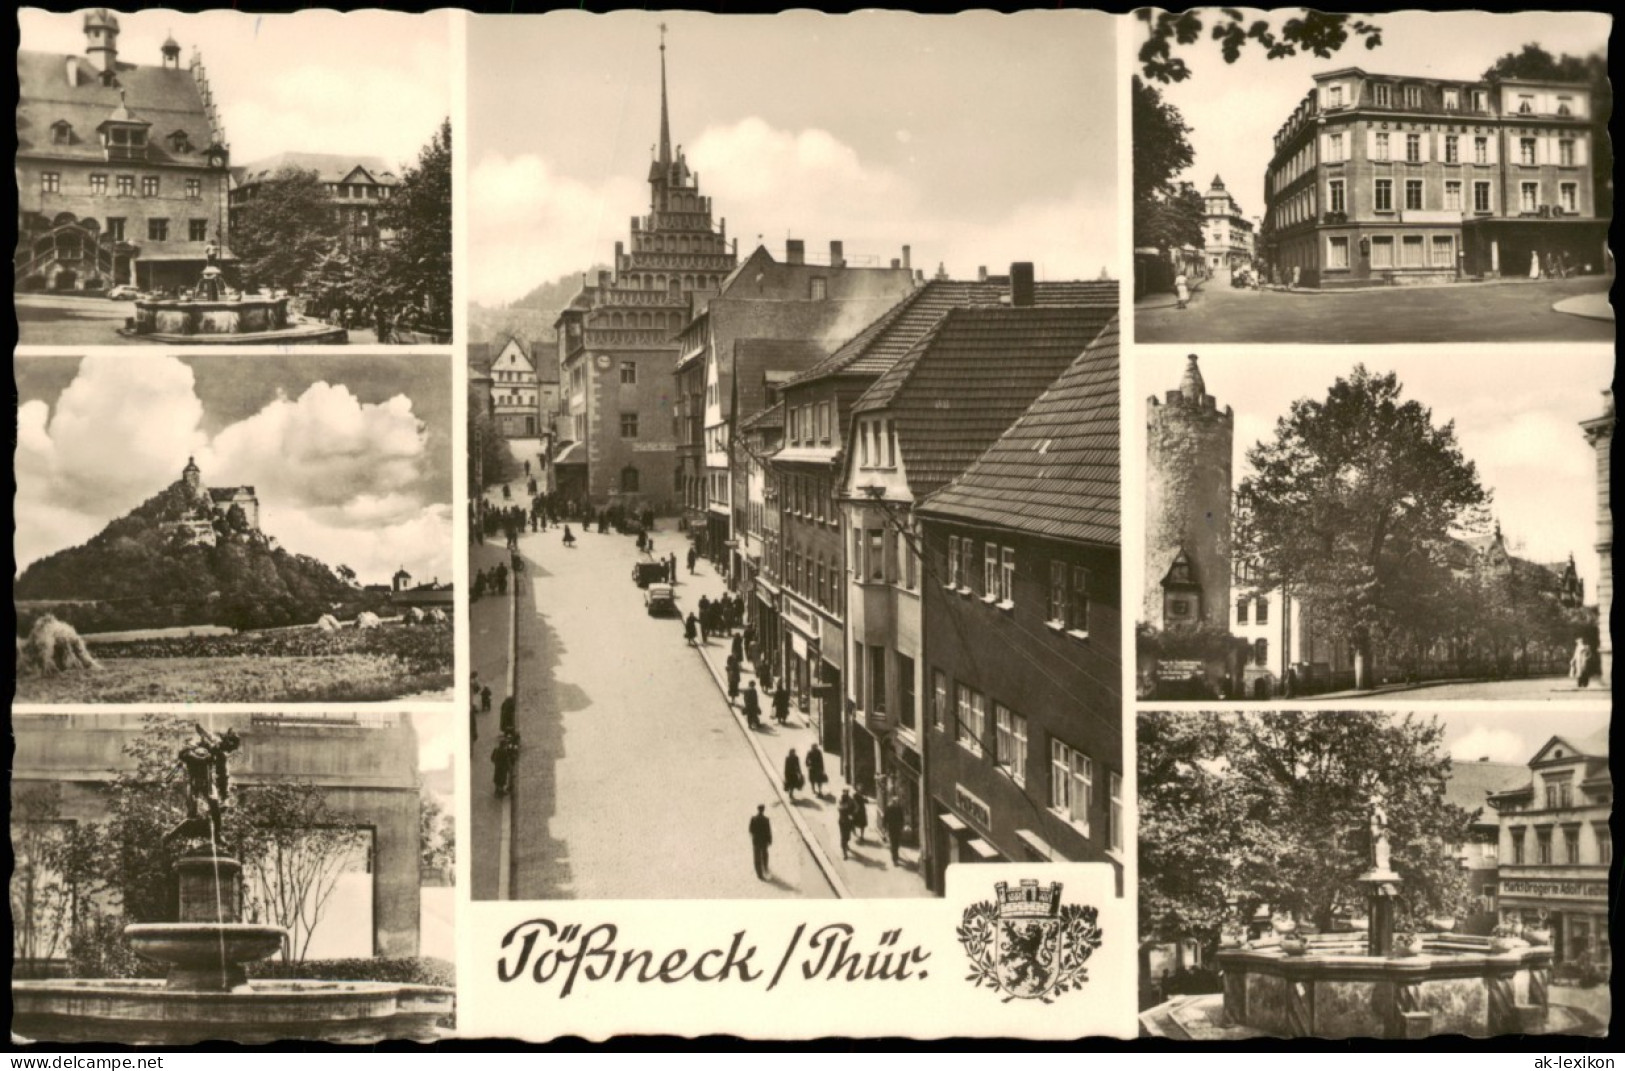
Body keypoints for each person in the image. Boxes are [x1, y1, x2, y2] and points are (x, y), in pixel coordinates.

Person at [749, 805, 773, 880]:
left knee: (757, 857)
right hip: (764, 841)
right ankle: (765, 867)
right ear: (763, 810)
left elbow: (751, 830)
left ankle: (759, 873)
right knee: (764, 854)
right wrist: (769, 840)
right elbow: (768, 831)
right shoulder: (766, 820)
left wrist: (754, 836)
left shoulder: (753, 819)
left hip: (756, 841)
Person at [882, 797, 905, 865]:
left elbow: (901, 818)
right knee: (893, 843)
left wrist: (902, 826)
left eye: (897, 802)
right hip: (891, 828)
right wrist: (884, 827)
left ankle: (895, 854)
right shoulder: (889, 808)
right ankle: (895, 859)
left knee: (897, 843)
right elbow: (885, 818)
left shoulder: (899, 808)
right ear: (893, 802)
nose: (896, 803)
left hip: (897, 828)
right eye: (895, 802)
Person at [837, 790, 856, 859]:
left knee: (847, 836)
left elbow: (856, 807)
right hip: (842, 821)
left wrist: (852, 814)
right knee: (843, 837)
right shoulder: (840, 801)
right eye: (844, 793)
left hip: (848, 821)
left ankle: (846, 845)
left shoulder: (851, 800)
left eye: (846, 793)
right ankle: (844, 853)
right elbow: (840, 808)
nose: (845, 794)